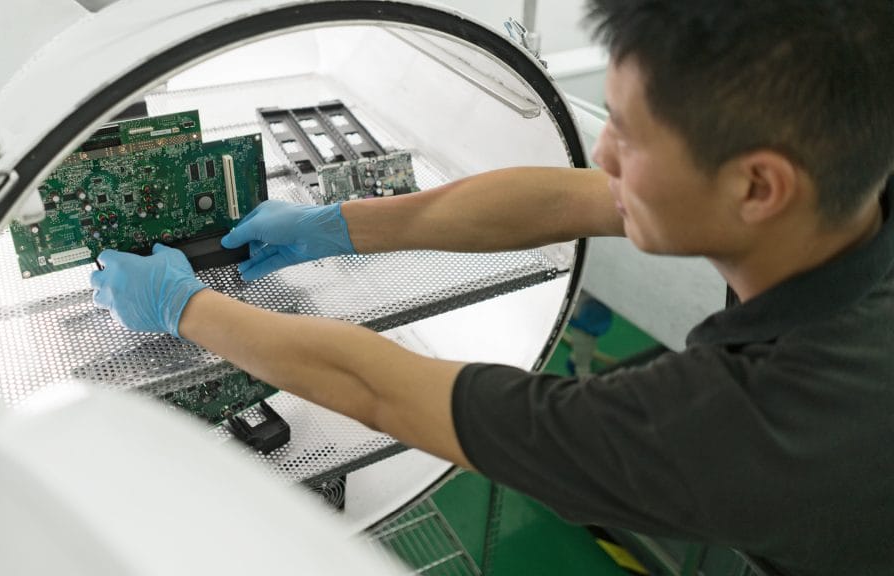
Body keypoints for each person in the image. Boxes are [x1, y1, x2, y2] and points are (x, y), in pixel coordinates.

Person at [90, 1, 894, 574]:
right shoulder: (848, 186)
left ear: (758, 187)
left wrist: (183, 306)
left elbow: (382, 390)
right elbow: (566, 195)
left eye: (631, 134)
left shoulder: (752, 427)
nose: (603, 152)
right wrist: (335, 224)